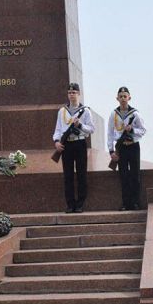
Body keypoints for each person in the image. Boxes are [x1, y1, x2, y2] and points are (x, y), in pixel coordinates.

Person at [52, 83, 94, 213]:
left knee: (81, 175)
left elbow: (91, 129)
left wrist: (80, 125)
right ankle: (70, 204)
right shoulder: (62, 111)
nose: (72, 95)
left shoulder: (85, 111)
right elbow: (58, 129)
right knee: (68, 176)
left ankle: (80, 204)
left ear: (79, 94)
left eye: (74, 92)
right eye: (69, 93)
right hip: (66, 145)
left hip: (80, 143)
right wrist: (57, 142)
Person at [107, 87, 146, 211]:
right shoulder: (114, 114)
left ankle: (135, 203)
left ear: (129, 97)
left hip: (133, 146)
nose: (123, 98)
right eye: (121, 96)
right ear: (117, 98)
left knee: (135, 175)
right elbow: (110, 133)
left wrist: (132, 130)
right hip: (121, 147)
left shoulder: (135, 114)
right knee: (123, 176)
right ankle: (125, 203)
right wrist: (111, 151)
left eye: (125, 96)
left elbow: (143, 130)